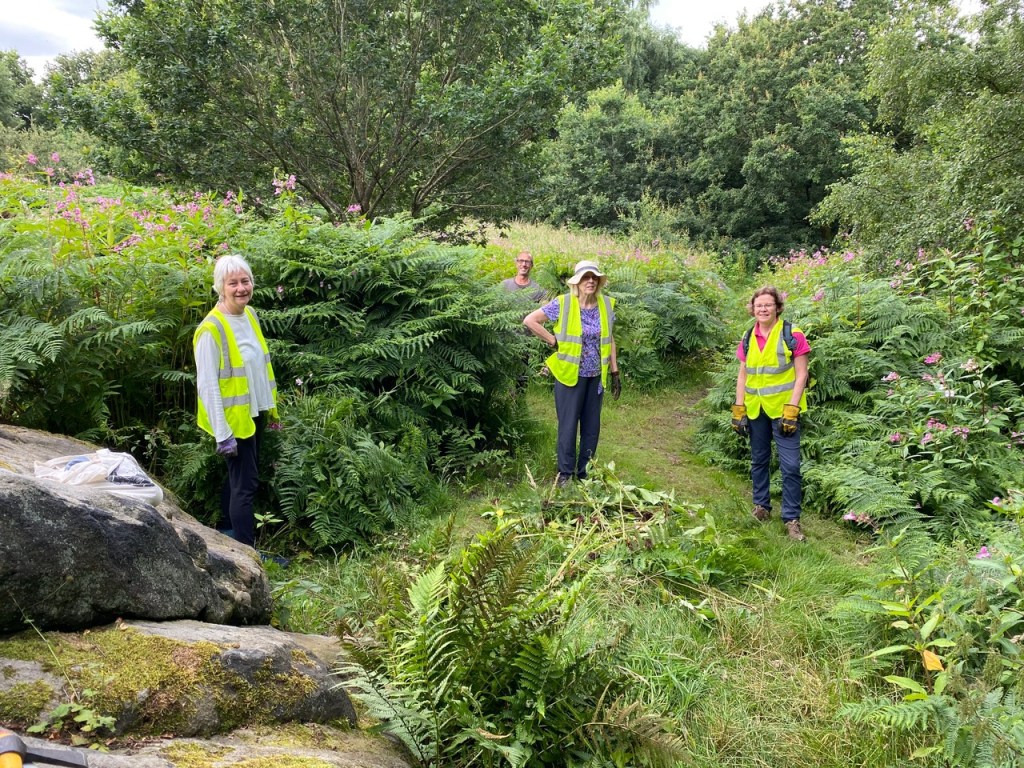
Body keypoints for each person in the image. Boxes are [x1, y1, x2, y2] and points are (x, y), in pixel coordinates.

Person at [193, 254, 279, 551]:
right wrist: (222, 433)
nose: (241, 288)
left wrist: (271, 408)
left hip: (252, 413)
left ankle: (226, 537)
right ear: (221, 287)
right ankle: (246, 555)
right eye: (233, 283)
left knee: (235, 482)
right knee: (246, 485)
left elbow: (258, 367)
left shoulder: (250, 315)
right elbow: (207, 386)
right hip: (231, 421)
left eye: (246, 281)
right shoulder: (210, 330)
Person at [524, 260, 620, 484]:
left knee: (591, 426)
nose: (590, 281)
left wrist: (615, 372)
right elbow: (530, 320)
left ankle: (585, 472)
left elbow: (610, 339)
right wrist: (552, 340)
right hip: (569, 375)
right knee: (568, 426)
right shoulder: (564, 303)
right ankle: (565, 474)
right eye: (586, 277)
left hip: (595, 375)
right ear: (577, 282)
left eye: (594, 278)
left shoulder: (605, 305)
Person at [731, 286, 810, 541]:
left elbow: (802, 374)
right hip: (756, 409)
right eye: (758, 305)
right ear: (752, 309)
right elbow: (743, 374)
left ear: (777, 307)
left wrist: (792, 408)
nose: (763, 309)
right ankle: (762, 506)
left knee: (790, 466)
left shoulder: (792, 334)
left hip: (784, 410)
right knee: (759, 460)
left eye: (768, 305)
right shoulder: (748, 336)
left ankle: (791, 519)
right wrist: (739, 407)